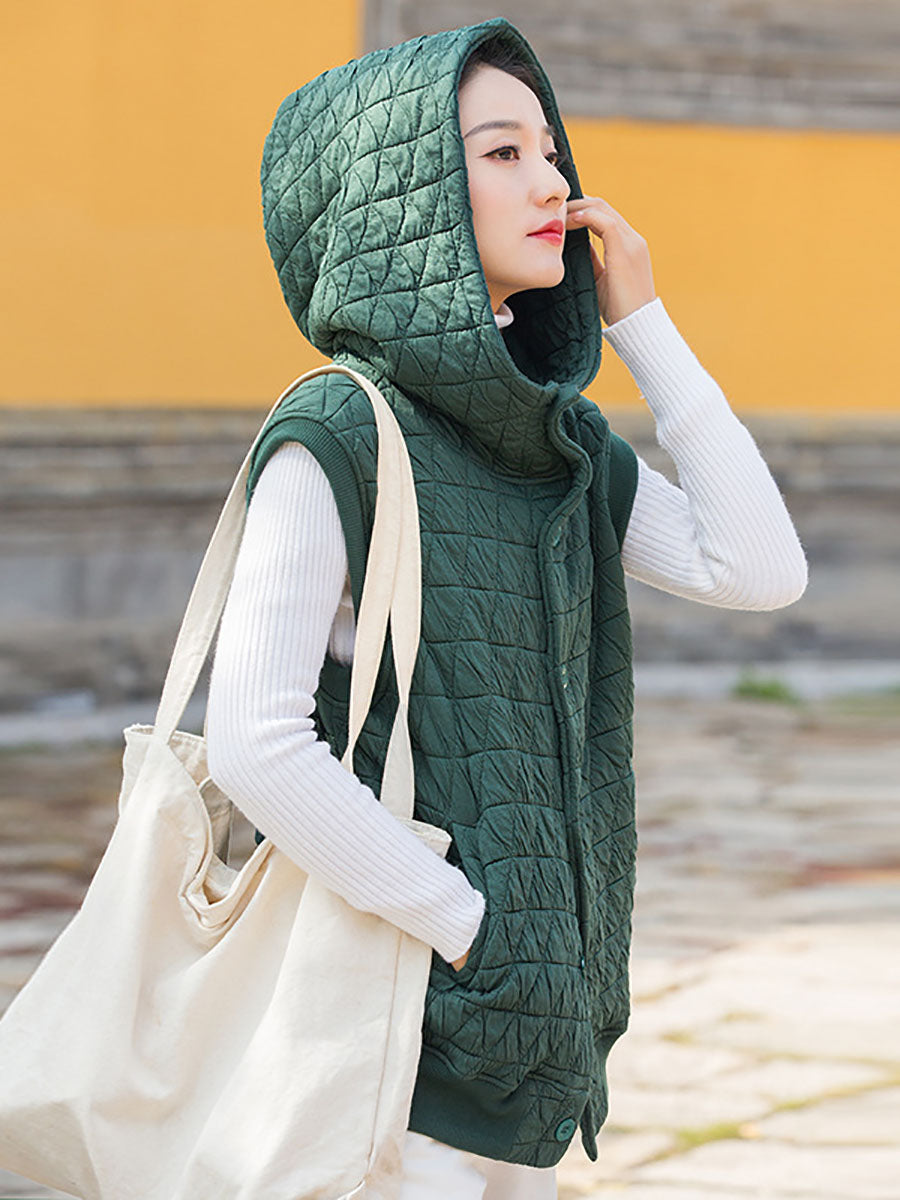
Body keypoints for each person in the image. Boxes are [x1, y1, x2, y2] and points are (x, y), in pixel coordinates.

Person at [205, 17, 808, 1199]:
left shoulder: (555, 444)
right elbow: (256, 741)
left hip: (521, 1042)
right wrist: (472, 927)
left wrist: (644, 325)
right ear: (409, 194)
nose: (553, 185)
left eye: (549, 149)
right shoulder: (339, 431)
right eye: (501, 153)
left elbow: (757, 568)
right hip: (387, 1037)